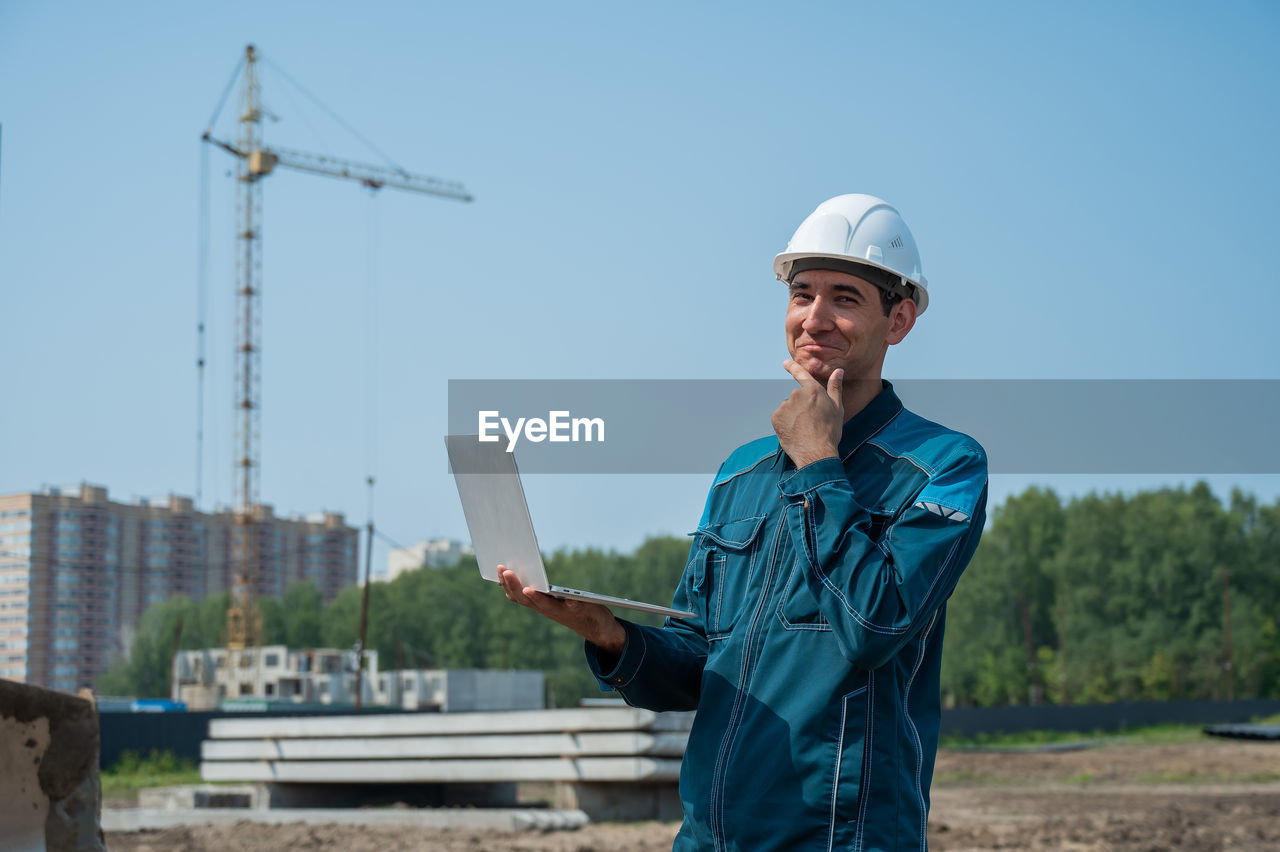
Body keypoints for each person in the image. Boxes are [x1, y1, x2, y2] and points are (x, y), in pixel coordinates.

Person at [499, 193, 988, 851]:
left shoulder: (941, 466)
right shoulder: (741, 474)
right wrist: (611, 636)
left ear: (898, 321)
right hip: (710, 838)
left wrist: (819, 461)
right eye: (802, 294)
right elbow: (702, 660)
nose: (815, 318)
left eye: (845, 297)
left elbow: (875, 623)